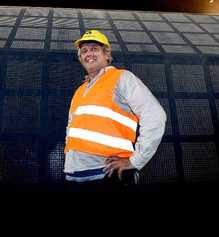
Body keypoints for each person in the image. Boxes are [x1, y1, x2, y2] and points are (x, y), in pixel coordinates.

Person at [63, 30, 166, 192]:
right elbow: (71, 130)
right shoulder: (80, 90)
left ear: (106, 55)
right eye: (84, 51)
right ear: (80, 58)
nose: (88, 53)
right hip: (76, 176)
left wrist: (136, 161)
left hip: (109, 175)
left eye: (94, 48)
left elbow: (155, 115)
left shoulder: (122, 78)